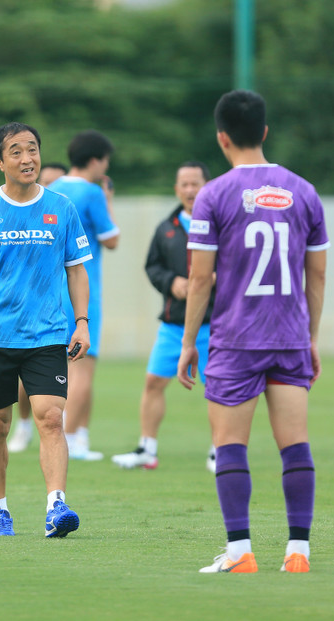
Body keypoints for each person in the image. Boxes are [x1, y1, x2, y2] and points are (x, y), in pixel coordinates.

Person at [178, 89, 328, 574]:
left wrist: (187, 343)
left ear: (222, 138)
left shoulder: (214, 195)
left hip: (236, 340)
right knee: (295, 445)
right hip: (288, 338)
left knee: (230, 447)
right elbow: (317, 274)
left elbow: (200, 278)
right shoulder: (304, 191)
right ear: (264, 131)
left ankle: (241, 552)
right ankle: (299, 553)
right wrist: (311, 337)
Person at [0, 122, 92, 538]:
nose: (27, 158)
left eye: (32, 149)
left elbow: (76, 271)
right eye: (16, 151)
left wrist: (81, 322)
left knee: (50, 418)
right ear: (0, 161)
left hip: (47, 334)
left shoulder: (61, 207)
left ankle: (56, 506)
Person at [111, 161, 215, 471]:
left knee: (219, 388)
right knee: (154, 382)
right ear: (176, 189)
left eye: (195, 183)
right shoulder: (166, 227)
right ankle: (147, 448)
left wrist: (211, 280)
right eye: (183, 184)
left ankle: (220, 451)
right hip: (174, 325)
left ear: (207, 186)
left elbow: (239, 264)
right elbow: (152, 268)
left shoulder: (222, 224)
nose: (189, 190)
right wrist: (173, 283)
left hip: (216, 325)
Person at [47, 131, 119, 460]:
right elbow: (112, 239)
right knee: (83, 367)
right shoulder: (92, 192)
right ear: (95, 161)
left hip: (53, 288)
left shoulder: (52, 189)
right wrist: (109, 199)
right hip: (84, 289)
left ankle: (79, 438)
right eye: (104, 161)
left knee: (63, 365)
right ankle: (70, 438)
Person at [7, 161, 69, 454]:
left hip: (56, 316)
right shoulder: (13, 212)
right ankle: (23, 425)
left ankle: (66, 428)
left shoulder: (64, 210)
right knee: (21, 383)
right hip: (15, 318)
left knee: (54, 403)